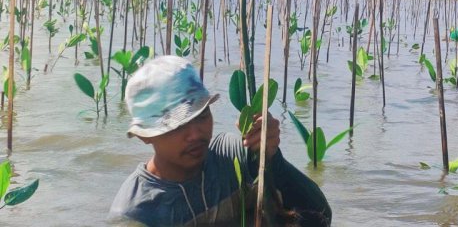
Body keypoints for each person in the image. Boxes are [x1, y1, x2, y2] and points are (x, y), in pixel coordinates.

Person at [109, 56, 331, 226]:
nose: (196, 134)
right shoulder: (135, 212)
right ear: (145, 136)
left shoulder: (233, 156)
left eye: (202, 115)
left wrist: (272, 161)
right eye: (177, 125)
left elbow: (320, 216)